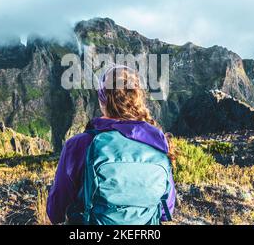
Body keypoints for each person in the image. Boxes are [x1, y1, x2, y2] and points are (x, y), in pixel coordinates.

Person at [47, 65, 176, 225]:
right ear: (137, 98)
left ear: (102, 100)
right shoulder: (158, 144)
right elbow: (166, 210)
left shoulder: (78, 145)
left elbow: (55, 212)